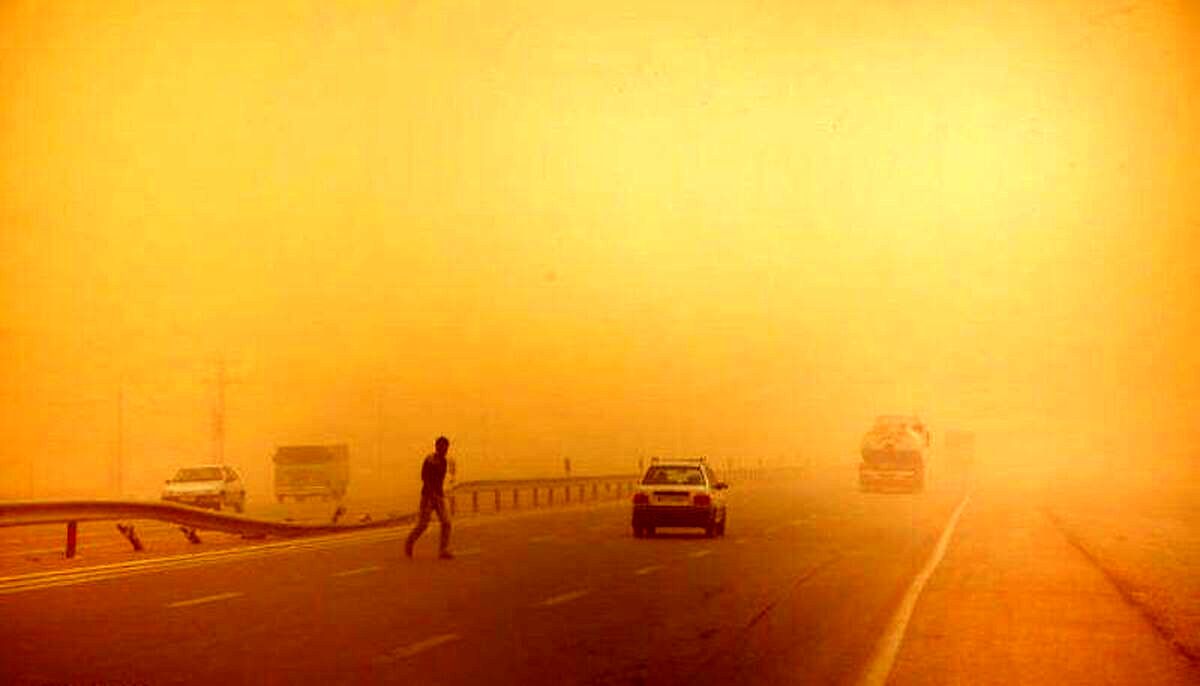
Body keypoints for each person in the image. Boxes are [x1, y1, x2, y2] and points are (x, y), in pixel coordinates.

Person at [405, 436, 453, 559]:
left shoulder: (444, 461)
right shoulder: (429, 459)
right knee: (423, 525)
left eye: (446, 446)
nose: (444, 449)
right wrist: (431, 493)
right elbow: (424, 477)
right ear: (436, 446)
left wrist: (439, 495)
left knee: (446, 522)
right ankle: (410, 542)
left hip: (439, 495)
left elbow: (440, 480)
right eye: (441, 446)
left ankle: (443, 550)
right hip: (428, 496)